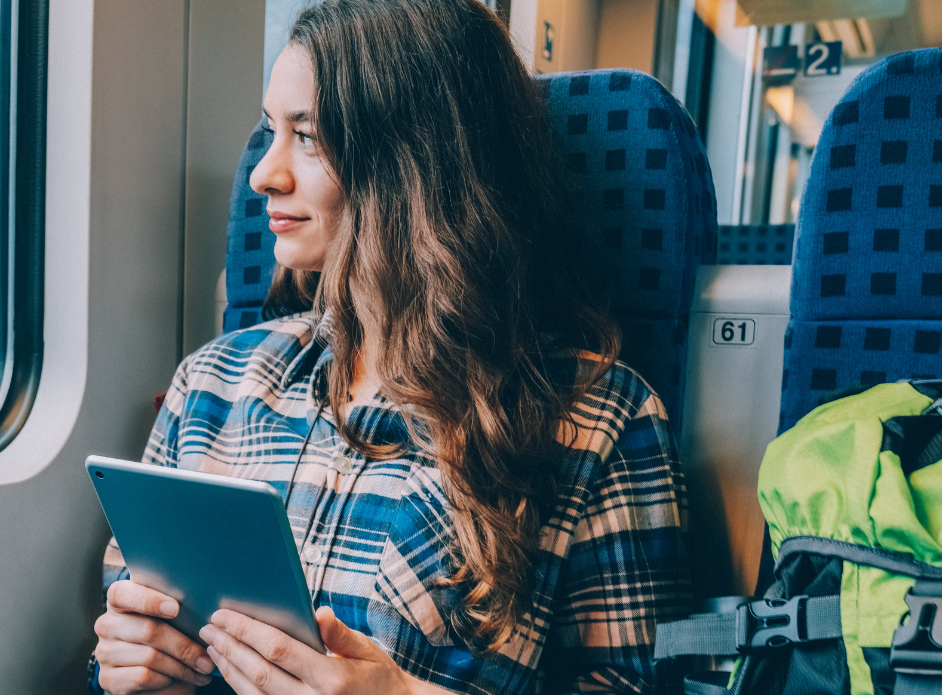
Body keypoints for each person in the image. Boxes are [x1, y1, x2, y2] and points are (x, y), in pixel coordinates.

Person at [88, 0, 691, 694]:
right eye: (268, 132)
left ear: (415, 161)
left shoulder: (598, 420)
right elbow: (120, 626)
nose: (263, 174)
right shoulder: (213, 384)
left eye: (308, 137)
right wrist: (125, 665)